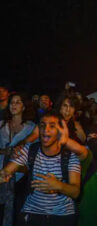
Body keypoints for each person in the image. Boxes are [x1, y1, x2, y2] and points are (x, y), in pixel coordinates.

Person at [0, 111, 82, 226]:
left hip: (62, 215)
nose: (45, 130)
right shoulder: (30, 150)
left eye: (52, 126)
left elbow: (76, 192)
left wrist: (58, 186)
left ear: (60, 131)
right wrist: (3, 175)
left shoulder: (70, 157)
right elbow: (7, 170)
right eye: (42, 125)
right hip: (32, 213)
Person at [0, 93, 37, 225]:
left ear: (24, 107)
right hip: (2, 174)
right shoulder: (1, 125)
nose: (14, 105)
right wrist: (6, 151)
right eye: (12, 103)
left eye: (18, 102)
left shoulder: (32, 128)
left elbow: (35, 153)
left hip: (22, 177)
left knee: (17, 213)